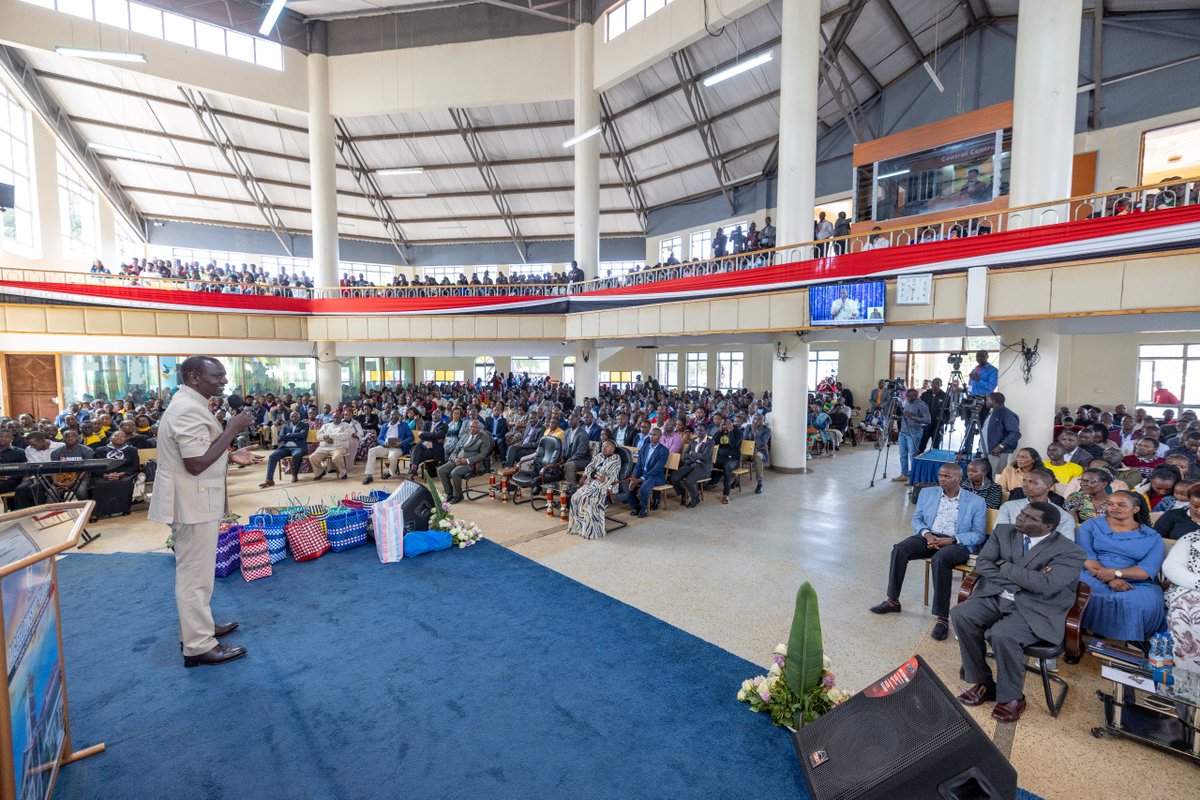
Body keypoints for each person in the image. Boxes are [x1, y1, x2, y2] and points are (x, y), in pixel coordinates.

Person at [148, 355, 261, 668]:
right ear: (194, 378)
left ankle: (200, 627)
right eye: (217, 376)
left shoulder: (191, 402)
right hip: (191, 504)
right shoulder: (186, 409)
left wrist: (230, 454)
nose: (224, 381)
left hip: (195, 500)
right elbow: (195, 464)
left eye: (224, 375)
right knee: (194, 577)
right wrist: (232, 428)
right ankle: (197, 646)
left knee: (198, 573)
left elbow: (200, 454)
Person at [951, 502, 1085, 724]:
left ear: (1048, 526)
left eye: (1030, 518)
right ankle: (984, 682)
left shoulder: (1070, 551)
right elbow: (983, 564)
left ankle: (1013, 697)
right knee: (961, 615)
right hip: (996, 596)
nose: (1021, 518)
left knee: (1002, 635)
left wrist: (1003, 564)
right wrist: (1026, 578)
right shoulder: (1004, 531)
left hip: (1036, 607)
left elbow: (1046, 586)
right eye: (1022, 513)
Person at [870, 463, 987, 641]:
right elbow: (917, 519)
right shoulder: (928, 493)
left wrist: (952, 540)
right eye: (940, 475)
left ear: (959, 479)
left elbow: (978, 535)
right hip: (929, 536)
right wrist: (927, 534)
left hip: (957, 542)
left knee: (940, 560)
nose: (942, 479)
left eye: (948, 476)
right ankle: (893, 601)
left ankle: (942, 618)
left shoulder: (976, 501)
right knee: (900, 549)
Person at [1077, 491, 1166, 643]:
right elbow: (1087, 557)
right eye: (1110, 504)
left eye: (1121, 505)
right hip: (1093, 572)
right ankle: (1078, 639)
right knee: (1086, 590)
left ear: (1136, 509)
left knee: (1140, 601)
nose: (1113, 508)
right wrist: (1110, 579)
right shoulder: (1091, 525)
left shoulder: (1152, 536)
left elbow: (1147, 570)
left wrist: (1116, 574)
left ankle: (1133, 646)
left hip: (1134, 577)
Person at [995, 470, 1076, 540]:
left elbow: (1066, 546)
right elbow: (999, 535)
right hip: (1010, 553)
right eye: (1024, 481)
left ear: (1048, 487)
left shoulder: (1064, 517)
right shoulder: (1009, 507)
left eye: (1032, 482)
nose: (1025, 485)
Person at [567, 439, 622, 540]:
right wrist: (594, 474)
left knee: (590, 500)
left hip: (608, 485)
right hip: (593, 483)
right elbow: (588, 468)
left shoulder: (616, 459)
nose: (603, 448)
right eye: (603, 446)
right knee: (575, 497)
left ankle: (592, 530)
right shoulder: (599, 456)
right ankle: (578, 527)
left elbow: (605, 475)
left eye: (606, 446)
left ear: (612, 449)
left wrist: (593, 474)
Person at [1164, 518, 1200, 671]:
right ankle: (1182, 682)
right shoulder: (1190, 539)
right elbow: (1171, 567)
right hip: (1190, 589)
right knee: (1188, 612)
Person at [89, 430, 141, 522]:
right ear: (111, 438)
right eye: (116, 436)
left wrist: (122, 474)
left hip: (123, 473)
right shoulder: (100, 450)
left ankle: (124, 508)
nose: (119, 438)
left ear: (125, 439)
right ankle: (96, 513)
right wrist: (105, 475)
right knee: (99, 484)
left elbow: (135, 466)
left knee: (125, 482)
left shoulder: (132, 450)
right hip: (103, 474)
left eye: (122, 436)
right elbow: (94, 466)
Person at [436, 419, 491, 503]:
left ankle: (458, 495)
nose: (472, 429)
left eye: (475, 427)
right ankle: (449, 493)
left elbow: (482, 454)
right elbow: (456, 449)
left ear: (479, 429)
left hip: (472, 463)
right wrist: (455, 458)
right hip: (458, 460)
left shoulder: (484, 438)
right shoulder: (465, 436)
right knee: (441, 470)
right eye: (471, 427)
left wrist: (467, 460)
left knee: (455, 472)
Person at [362, 410, 414, 484]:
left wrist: (401, 443)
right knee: (372, 451)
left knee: (392, 456)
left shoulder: (404, 425)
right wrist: (383, 443)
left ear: (399, 417)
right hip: (385, 446)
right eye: (392, 415)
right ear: (390, 416)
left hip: (398, 447)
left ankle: (390, 472)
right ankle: (369, 475)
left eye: (396, 415)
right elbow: (379, 439)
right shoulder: (385, 426)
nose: (394, 416)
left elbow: (411, 437)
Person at [626, 426, 667, 518]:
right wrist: (634, 478)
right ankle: (636, 506)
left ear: (660, 436)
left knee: (643, 489)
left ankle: (644, 509)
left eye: (655, 435)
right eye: (651, 434)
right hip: (643, 474)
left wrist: (639, 479)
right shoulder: (644, 447)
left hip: (655, 476)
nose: (652, 437)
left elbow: (657, 469)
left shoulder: (663, 450)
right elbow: (638, 465)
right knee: (625, 485)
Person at [260, 411, 308, 488]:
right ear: (290, 418)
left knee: (297, 455)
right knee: (272, 456)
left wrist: (289, 435)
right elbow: (280, 437)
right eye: (292, 417)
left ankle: (294, 475)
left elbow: (303, 435)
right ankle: (269, 480)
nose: (293, 418)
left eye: (295, 416)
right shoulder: (286, 426)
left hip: (298, 447)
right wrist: (295, 436)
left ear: (299, 417)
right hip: (286, 447)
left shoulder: (304, 425)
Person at [670, 425, 714, 508]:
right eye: (697, 430)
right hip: (692, 463)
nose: (698, 432)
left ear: (706, 431)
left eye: (701, 430)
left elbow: (704, 457)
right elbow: (686, 453)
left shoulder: (710, 443)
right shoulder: (694, 441)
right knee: (674, 477)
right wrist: (694, 457)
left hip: (703, 467)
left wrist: (692, 454)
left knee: (690, 480)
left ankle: (695, 499)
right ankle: (682, 493)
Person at [891, 388, 929, 483]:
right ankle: (904, 474)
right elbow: (905, 415)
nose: (907, 399)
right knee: (902, 455)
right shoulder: (907, 402)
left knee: (912, 455)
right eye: (907, 397)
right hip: (903, 432)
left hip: (914, 433)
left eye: (909, 397)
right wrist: (899, 417)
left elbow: (928, 420)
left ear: (916, 396)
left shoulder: (922, 405)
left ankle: (913, 478)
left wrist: (912, 416)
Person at [308, 412, 353, 480]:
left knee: (336, 457)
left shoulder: (346, 425)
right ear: (331, 418)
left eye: (337, 417)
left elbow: (346, 436)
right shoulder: (326, 426)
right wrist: (325, 438)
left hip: (339, 448)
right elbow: (318, 436)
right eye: (334, 417)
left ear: (341, 418)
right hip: (324, 448)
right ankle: (320, 472)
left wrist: (330, 437)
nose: (335, 419)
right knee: (312, 457)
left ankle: (343, 473)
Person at [712, 416, 743, 504]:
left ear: (731, 424)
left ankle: (726, 494)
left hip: (733, 459)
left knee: (728, 467)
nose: (725, 426)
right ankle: (702, 486)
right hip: (720, 458)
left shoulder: (738, 433)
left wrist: (730, 431)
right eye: (723, 424)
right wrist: (719, 431)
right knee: (706, 461)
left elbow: (732, 444)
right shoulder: (720, 432)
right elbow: (713, 443)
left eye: (727, 424)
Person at [917, 378, 949, 453]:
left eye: (937, 383)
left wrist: (944, 421)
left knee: (936, 446)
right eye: (933, 383)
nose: (934, 385)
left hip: (938, 425)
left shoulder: (945, 396)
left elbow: (948, 411)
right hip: (925, 424)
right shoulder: (925, 394)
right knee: (921, 445)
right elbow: (919, 407)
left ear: (941, 385)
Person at [561, 413, 592, 484]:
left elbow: (580, 453)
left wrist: (568, 460)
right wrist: (562, 458)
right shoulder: (566, 432)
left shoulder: (583, 434)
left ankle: (571, 488)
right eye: (568, 419)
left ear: (577, 420)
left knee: (569, 466)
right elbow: (563, 448)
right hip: (570, 459)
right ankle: (557, 487)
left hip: (582, 460)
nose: (569, 421)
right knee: (555, 462)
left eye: (571, 419)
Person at [745, 412, 770, 494]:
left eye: (759, 419)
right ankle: (736, 479)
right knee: (736, 456)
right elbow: (744, 439)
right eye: (755, 418)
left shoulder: (767, 430)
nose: (757, 421)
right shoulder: (748, 427)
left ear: (763, 421)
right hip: (747, 450)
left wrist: (755, 432)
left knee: (757, 457)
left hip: (759, 452)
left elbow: (761, 443)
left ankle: (759, 483)